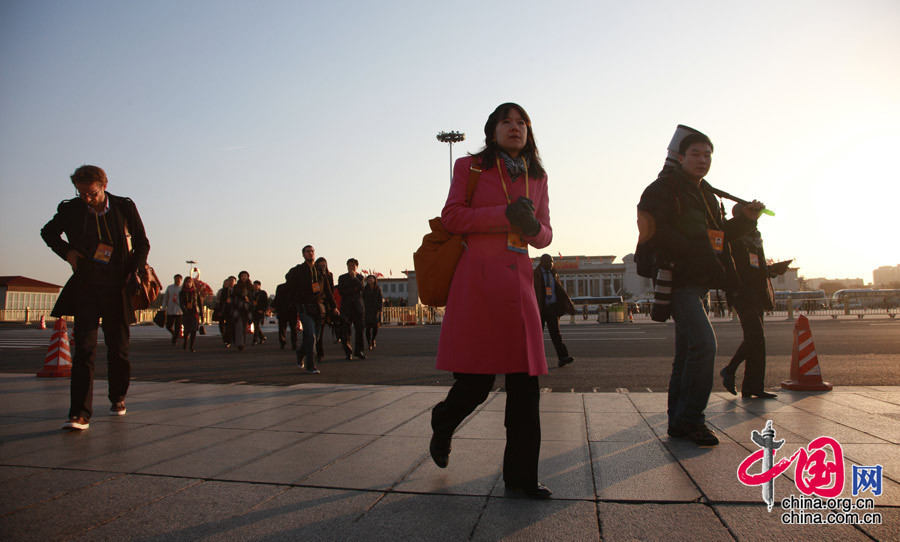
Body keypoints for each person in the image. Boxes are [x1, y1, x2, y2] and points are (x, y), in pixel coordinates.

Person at [430, 103, 554, 499]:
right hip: (479, 284)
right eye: (507, 122)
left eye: (522, 123)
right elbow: (453, 217)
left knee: (525, 386)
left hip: (519, 287)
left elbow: (545, 232)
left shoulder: (538, 175)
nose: (515, 128)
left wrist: (535, 228)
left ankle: (520, 478)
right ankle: (444, 419)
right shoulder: (472, 168)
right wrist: (505, 215)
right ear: (492, 130)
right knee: (476, 383)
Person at [637, 129, 763, 446]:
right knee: (705, 346)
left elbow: (718, 238)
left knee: (687, 354)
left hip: (700, 280)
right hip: (678, 278)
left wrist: (746, 219)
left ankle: (679, 422)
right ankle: (693, 419)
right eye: (696, 153)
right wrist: (691, 250)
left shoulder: (706, 194)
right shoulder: (663, 189)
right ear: (679, 158)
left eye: (708, 154)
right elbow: (655, 230)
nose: (703, 160)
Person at [40, 165, 150, 430]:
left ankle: (117, 397)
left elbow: (142, 243)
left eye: (91, 193)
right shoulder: (71, 209)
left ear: (104, 185)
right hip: (87, 287)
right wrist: (68, 253)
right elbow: (48, 232)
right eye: (81, 194)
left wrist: (133, 270)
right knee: (84, 351)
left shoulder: (124, 206)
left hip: (117, 288)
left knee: (119, 350)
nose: (86, 199)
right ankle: (79, 413)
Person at [720, 217, 778, 399]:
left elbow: (756, 266)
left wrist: (771, 270)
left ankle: (753, 387)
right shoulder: (733, 235)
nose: (755, 225)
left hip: (757, 294)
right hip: (742, 293)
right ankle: (729, 370)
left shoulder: (755, 238)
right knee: (755, 336)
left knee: (759, 341)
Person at [285, 245, 338, 374]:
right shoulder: (297, 270)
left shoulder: (320, 271)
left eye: (312, 251)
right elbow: (289, 286)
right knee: (310, 335)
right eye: (308, 251)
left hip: (319, 307)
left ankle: (300, 352)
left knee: (316, 336)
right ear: (303, 254)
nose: (310, 253)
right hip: (304, 306)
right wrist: (295, 302)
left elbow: (327, 290)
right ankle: (311, 365)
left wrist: (333, 306)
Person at [533, 254, 575, 367]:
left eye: (552, 262)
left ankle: (563, 357)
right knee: (537, 335)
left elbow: (559, 290)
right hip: (539, 308)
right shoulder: (535, 274)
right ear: (542, 262)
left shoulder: (554, 273)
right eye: (549, 262)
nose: (551, 264)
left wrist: (565, 305)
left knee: (556, 334)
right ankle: (534, 360)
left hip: (552, 308)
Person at [337, 258, 367, 360]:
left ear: (357, 267)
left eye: (353, 266)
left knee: (359, 330)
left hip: (358, 308)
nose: (351, 267)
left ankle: (359, 351)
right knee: (345, 331)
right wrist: (353, 289)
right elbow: (341, 291)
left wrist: (354, 279)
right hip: (346, 307)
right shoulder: (342, 278)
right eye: (350, 266)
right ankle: (348, 352)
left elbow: (361, 288)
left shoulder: (360, 277)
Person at [314, 256, 338, 362]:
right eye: (321, 265)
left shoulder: (329, 275)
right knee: (313, 331)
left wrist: (333, 306)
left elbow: (330, 291)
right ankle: (314, 351)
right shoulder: (313, 275)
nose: (323, 267)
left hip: (324, 305)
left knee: (320, 330)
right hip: (314, 303)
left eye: (324, 265)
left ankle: (319, 352)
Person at [231, 271, 253, 352]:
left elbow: (252, 297)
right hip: (239, 308)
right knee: (239, 326)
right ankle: (240, 344)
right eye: (243, 276)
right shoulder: (237, 287)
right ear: (240, 277)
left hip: (247, 309)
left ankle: (242, 342)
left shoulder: (250, 287)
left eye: (246, 276)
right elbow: (233, 296)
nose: (244, 277)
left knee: (244, 327)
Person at [179, 276, 202, 352]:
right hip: (186, 313)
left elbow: (199, 303)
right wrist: (185, 311)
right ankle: (185, 340)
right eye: (186, 282)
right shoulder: (182, 292)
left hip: (194, 312)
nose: (188, 284)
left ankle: (191, 346)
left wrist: (201, 314)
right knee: (187, 330)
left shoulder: (195, 292)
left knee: (194, 330)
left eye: (189, 282)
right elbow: (181, 303)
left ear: (192, 283)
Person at [273, 281, 298, 350]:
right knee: (293, 328)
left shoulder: (280, 287)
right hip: (292, 310)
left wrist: (273, 306)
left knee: (282, 328)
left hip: (282, 310)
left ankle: (282, 343)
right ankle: (294, 344)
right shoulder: (296, 287)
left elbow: (277, 298)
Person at [362, 274, 383, 349]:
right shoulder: (364, 289)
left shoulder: (378, 289)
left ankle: (373, 339)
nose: (370, 279)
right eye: (368, 278)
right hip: (367, 310)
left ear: (374, 280)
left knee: (375, 327)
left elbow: (380, 299)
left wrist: (380, 309)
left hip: (375, 310)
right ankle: (369, 343)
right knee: (367, 328)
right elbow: (362, 299)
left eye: (371, 278)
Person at [162, 274, 183, 345]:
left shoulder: (182, 288)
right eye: (175, 279)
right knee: (168, 325)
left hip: (179, 310)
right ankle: (173, 333)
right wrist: (163, 308)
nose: (177, 280)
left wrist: (177, 301)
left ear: (181, 280)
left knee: (178, 326)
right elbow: (165, 298)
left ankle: (174, 340)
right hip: (170, 309)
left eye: (178, 279)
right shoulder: (170, 287)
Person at [214, 276, 235, 348]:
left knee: (229, 326)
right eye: (226, 282)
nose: (227, 283)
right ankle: (225, 338)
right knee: (222, 325)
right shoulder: (222, 291)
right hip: (223, 310)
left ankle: (228, 340)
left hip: (231, 310)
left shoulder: (235, 290)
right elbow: (219, 301)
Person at [251, 280, 268, 345]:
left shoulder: (263, 293)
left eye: (256, 285)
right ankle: (262, 337)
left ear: (259, 286)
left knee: (257, 325)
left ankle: (254, 340)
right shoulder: (251, 293)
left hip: (259, 311)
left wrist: (263, 310)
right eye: (254, 285)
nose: (254, 286)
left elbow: (265, 303)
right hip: (253, 311)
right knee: (256, 326)